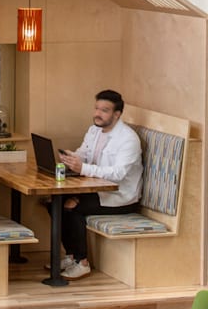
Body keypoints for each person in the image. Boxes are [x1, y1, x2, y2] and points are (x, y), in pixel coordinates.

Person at [54, 89, 143, 280]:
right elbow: (84, 153)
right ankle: (71, 256)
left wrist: (83, 168)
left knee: (71, 206)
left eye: (104, 110)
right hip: (97, 189)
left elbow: (118, 175)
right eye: (96, 108)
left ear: (117, 114)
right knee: (53, 201)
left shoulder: (128, 139)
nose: (97, 114)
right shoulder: (94, 130)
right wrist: (73, 158)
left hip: (121, 197)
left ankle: (82, 262)